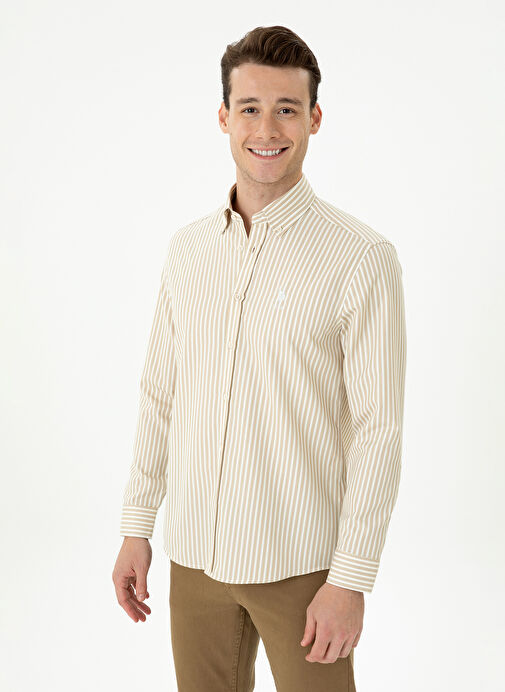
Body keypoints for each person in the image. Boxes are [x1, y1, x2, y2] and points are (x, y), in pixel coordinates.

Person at [112, 24, 406, 692]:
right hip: (194, 560)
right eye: (249, 108)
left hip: (302, 568)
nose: (266, 129)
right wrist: (136, 526)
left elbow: (378, 431)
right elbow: (159, 395)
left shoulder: (360, 259)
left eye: (286, 109)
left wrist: (350, 578)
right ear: (223, 117)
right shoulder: (187, 251)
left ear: (314, 118)